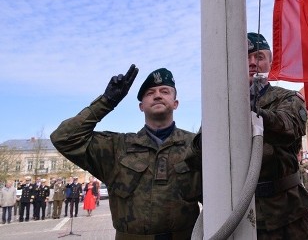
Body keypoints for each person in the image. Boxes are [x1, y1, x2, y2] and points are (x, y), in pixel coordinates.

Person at [51, 65, 203, 240]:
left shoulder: (195, 145)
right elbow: (63, 138)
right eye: (150, 93)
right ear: (141, 106)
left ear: (176, 104)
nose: (158, 95)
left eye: (165, 91)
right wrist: (107, 101)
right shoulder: (117, 147)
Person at [247, 32, 308, 238]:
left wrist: (255, 113)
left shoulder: (287, 98)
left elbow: (288, 126)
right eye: (245, 57)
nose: (252, 62)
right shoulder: (224, 104)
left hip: (286, 213)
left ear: (270, 62)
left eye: (258, 57)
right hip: (241, 214)